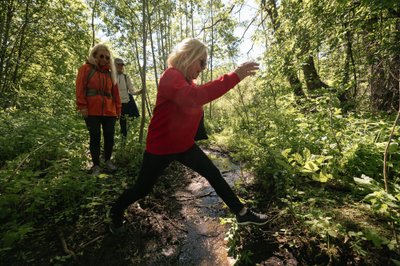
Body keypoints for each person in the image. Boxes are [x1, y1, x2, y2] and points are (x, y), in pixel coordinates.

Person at [109, 38, 268, 235]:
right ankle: (115, 212)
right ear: (188, 57)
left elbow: (194, 99)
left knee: (213, 173)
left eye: (206, 64)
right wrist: (234, 76)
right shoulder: (171, 76)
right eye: (202, 62)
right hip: (161, 148)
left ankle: (242, 213)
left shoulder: (186, 81)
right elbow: (195, 97)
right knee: (142, 189)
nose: (203, 67)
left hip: (184, 146)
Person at [76, 44, 121, 175]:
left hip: (109, 111)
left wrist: (118, 110)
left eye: (107, 57)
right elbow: (80, 89)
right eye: (101, 56)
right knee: (94, 136)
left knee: (109, 136)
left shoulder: (111, 74)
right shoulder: (85, 69)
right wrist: (82, 106)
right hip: (91, 110)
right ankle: (96, 165)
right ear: (94, 55)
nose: (104, 59)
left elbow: (116, 95)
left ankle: (107, 161)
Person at [114, 58, 142, 141]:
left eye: (122, 65)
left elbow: (132, 91)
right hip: (113, 104)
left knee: (124, 125)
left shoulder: (126, 77)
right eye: (118, 64)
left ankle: (123, 144)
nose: (120, 66)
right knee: (110, 124)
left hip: (124, 103)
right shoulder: (110, 75)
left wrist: (140, 92)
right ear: (114, 65)